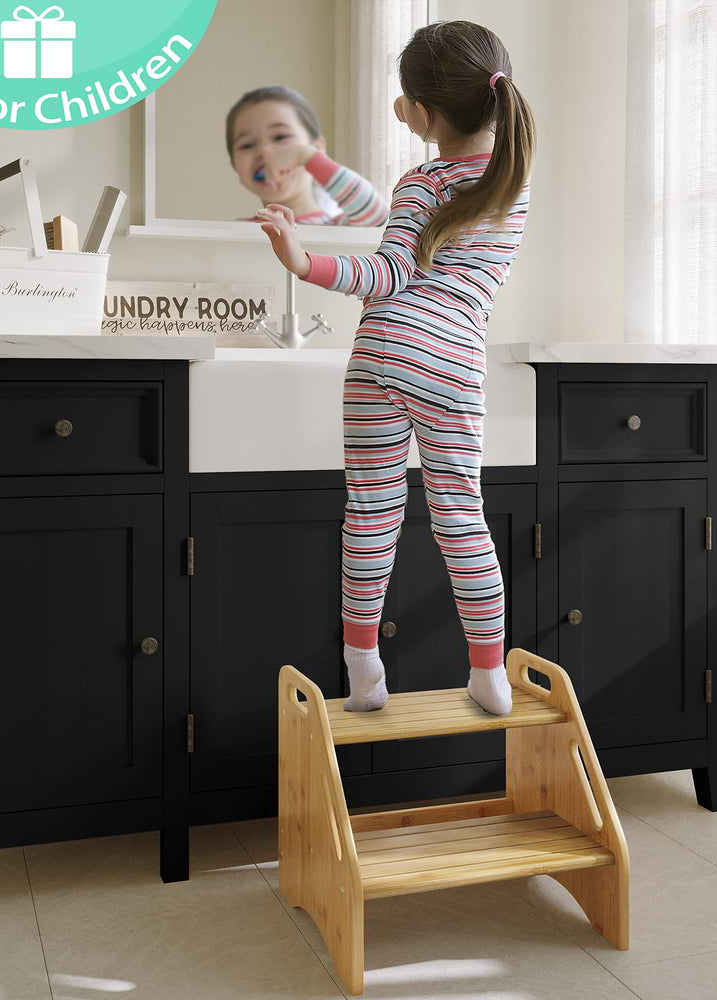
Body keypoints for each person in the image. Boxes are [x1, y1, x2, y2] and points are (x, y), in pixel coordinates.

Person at [257, 21, 535, 716]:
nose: (396, 110)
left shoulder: (424, 179)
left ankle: (364, 675)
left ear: (426, 113)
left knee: (371, 517)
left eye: (403, 100)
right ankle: (487, 675)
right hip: (449, 364)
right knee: (460, 518)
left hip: (382, 355)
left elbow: (385, 275)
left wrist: (302, 261)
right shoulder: (512, 180)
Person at [225, 85, 388, 226]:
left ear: (316, 148)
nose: (264, 151)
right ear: (235, 167)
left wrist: (308, 157)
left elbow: (379, 217)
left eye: (281, 137)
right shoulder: (233, 233)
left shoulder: (336, 227)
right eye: (246, 145)